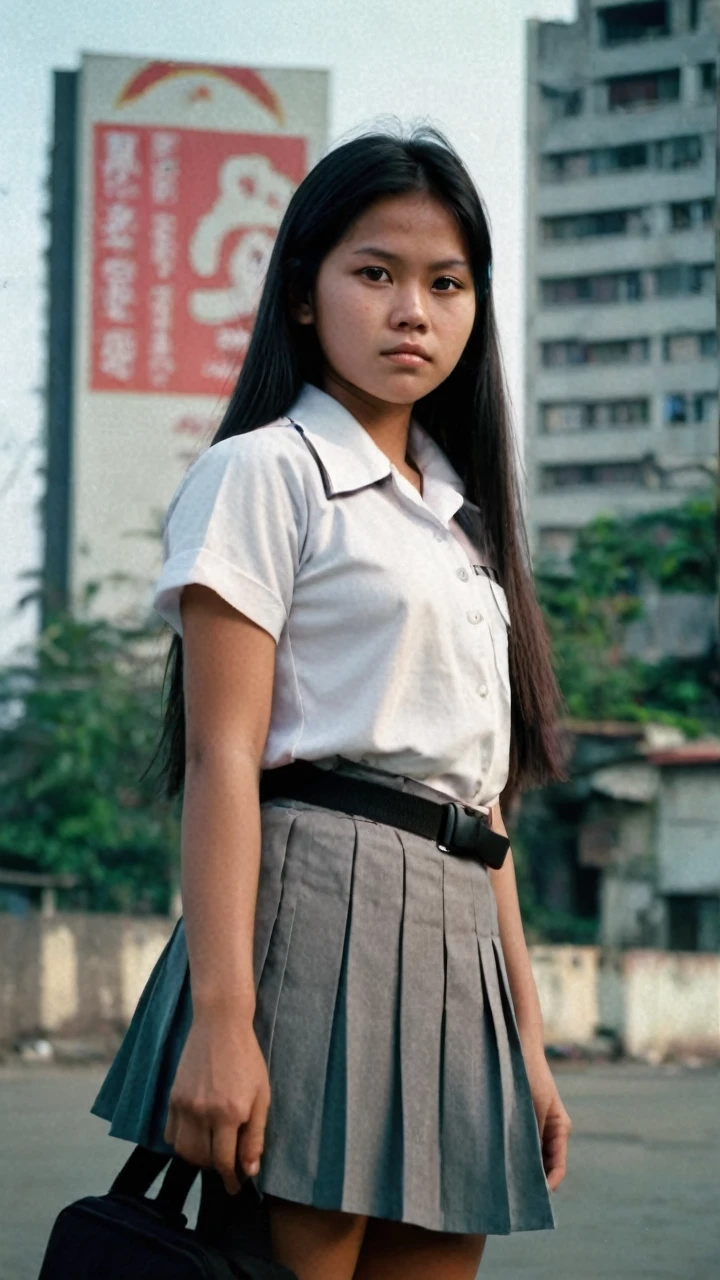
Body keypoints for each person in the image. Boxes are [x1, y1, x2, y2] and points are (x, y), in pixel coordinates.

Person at [92, 127, 572, 1280]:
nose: (414, 309)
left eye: (445, 283)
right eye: (377, 273)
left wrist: (534, 1042)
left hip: (463, 940)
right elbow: (221, 758)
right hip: (317, 911)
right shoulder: (268, 470)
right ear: (305, 294)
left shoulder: (467, 524)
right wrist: (222, 1016)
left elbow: (482, 802)